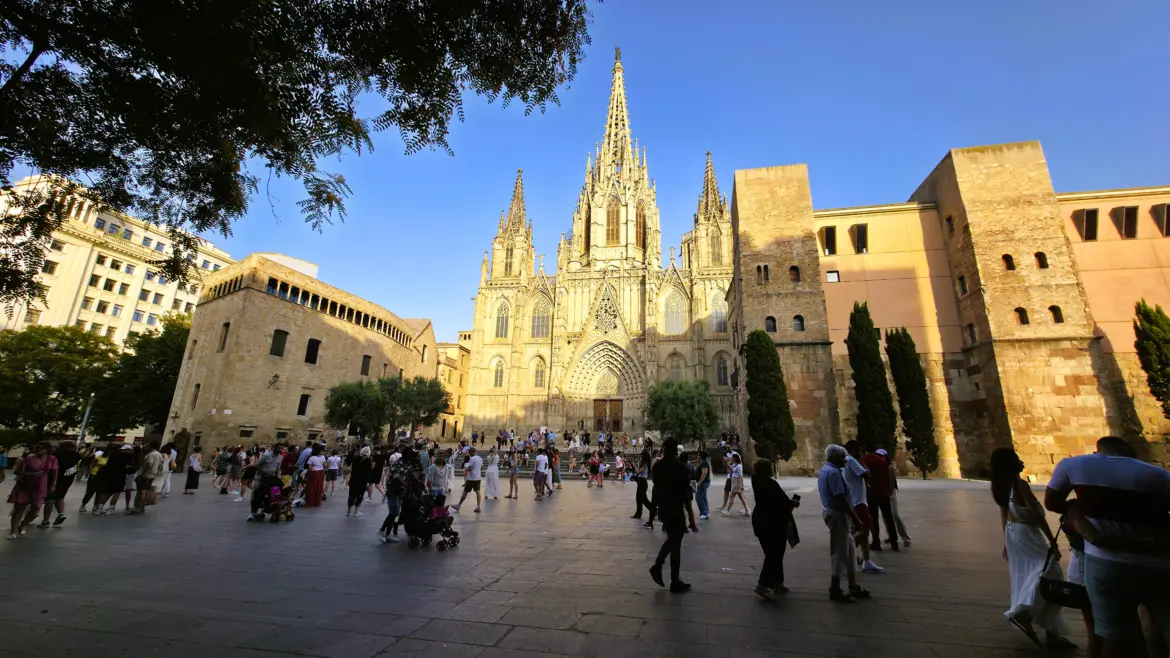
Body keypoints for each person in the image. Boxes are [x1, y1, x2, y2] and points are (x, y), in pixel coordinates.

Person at [1044, 436, 1170, 658]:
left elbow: (1052, 503)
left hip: (1106, 564)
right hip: (1158, 565)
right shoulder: (1160, 475)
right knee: (1158, 627)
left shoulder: (1074, 464)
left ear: (1099, 451)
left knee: (1114, 636)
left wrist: (1076, 512)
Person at [988, 447, 1075, 648]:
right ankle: (1024, 613)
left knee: (1027, 574)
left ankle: (1052, 632)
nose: (1022, 461)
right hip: (1027, 534)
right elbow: (1036, 516)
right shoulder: (1020, 485)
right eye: (1017, 459)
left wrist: (1006, 542)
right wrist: (1052, 541)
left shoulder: (1000, 486)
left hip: (1013, 533)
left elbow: (1004, 515)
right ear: (1010, 464)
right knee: (1050, 574)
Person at [819, 444, 868, 602]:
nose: (845, 460)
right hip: (837, 515)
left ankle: (853, 585)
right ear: (835, 457)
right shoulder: (834, 473)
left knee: (850, 549)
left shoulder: (825, 470)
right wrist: (856, 519)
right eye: (843, 457)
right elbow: (841, 499)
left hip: (834, 513)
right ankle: (835, 588)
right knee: (839, 552)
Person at [648, 439, 692, 593]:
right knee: (675, 542)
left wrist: (658, 509)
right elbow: (686, 495)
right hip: (675, 509)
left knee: (673, 540)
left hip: (664, 508)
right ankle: (671, 577)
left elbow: (657, 488)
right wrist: (691, 518)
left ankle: (660, 568)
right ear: (675, 451)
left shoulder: (658, 466)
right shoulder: (679, 468)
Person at [752, 457, 799, 599]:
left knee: (772, 553)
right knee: (775, 554)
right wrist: (794, 503)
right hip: (772, 523)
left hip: (760, 520)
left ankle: (778, 583)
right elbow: (783, 503)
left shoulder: (756, 480)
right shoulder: (770, 484)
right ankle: (762, 585)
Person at [843, 440, 882, 574]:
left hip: (854, 500)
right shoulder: (852, 461)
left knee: (860, 530)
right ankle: (846, 552)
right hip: (858, 501)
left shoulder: (844, 461)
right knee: (866, 528)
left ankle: (867, 561)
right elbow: (866, 474)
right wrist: (862, 461)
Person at [8, 442, 58, 539]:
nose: (38, 449)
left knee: (35, 509)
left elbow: (55, 472)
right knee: (19, 508)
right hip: (24, 486)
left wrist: (53, 485)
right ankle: (13, 531)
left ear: (47, 449)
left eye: (42, 447)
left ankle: (23, 524)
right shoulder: (29, 458)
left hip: (40, 486)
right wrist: (28, 474)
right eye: (37, 447)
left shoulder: (51, 459)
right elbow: (17, 471)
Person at [861, 446, 898, 552]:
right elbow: (889, 478)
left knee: (873, 518)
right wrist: (888, 490)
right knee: (888, 518)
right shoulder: (883, 463)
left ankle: (876, 542)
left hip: (871, 493)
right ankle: (894, 542)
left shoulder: (864, 460)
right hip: (883, 493)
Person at [40, 441, 79, 528]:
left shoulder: (58, 455)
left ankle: (46, 521)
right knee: (60, 496)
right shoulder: (76, 455)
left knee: (50, 500)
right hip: (68, 479)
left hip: (54, 479)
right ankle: (61, 514)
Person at [128, 442, 165, 515]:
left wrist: (142, 474)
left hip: (146, 475)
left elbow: (149, 465)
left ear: (150, 447)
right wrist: (156, 471)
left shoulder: (150, 455)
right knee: (147, 491)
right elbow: (161, 465)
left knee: (142, 491)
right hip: (152, 475)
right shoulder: (159, 454)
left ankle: (139, 508)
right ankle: (142, 508)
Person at [886, 449, 912, 548]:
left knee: (895, 515)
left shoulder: (890, 467)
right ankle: (891, 536)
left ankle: (905, 538)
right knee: (886, 517)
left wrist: (889, 491)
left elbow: (892, 481)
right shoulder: (880, 466)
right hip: (883, 493)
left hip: (890, 493)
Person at [454, 447, 483, 513]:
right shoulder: (480, 458)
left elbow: (470, 468)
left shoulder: (472, 459)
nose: (469, 454)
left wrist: (465, 469)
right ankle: (478, 506)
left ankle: (458, 505)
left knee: (465, 491)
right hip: (478, 478)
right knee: (478, 491)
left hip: (471, 478)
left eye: (469, 452)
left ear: (471, 452)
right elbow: (481, 468)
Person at [347, 446, 373, 517]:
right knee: (359, 495)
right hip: (362, 480)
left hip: (353, 479)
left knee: (351, 495)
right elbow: (368, 471)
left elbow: (353, 468)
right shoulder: (368, 460)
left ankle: (348, 511)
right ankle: (356, 511)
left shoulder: (355, 458)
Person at [695, 450, 712, 520]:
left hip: (703, 482)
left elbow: (704, 473)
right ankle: (705, 512)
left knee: (698, 497)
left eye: (698, 455)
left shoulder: (704, 463)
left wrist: (700, 482)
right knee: (703, 497)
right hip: (704, 482)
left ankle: (705, 512)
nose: (698, 456)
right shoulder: (703, 462)